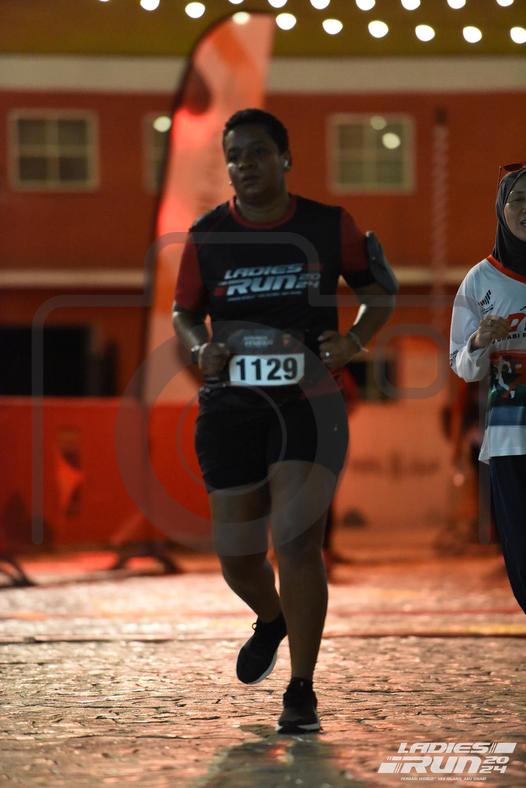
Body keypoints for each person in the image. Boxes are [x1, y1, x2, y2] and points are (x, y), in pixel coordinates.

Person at [172, 109, 397, 733]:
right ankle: (272, 619)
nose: (244, 165)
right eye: (234, 156)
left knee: (297, 542)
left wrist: (353, 342)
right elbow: (183, 313)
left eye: (257, 153)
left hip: (308, 403)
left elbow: (378, 291)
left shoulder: (327, 225)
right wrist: (199, 346)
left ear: (285, 158)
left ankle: (301, 689)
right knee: (238, 559)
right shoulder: (207, 235)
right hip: (231, 409)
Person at [450, 163, 526, 615]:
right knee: (520, 556)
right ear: (501, 208)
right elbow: (462, 367)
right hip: (510, 439)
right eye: (519, 200)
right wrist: (479, 340)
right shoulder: (479, 281)